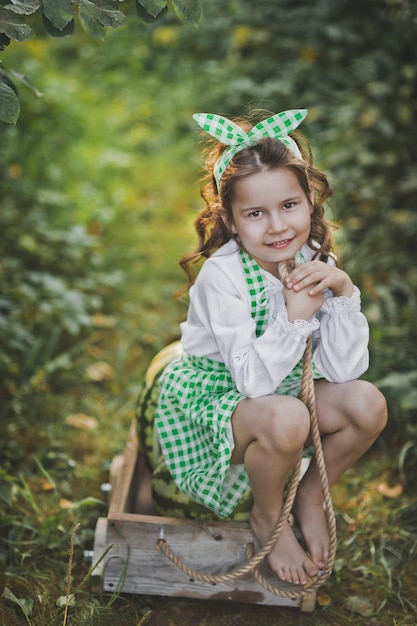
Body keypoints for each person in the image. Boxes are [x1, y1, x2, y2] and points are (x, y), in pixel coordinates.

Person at [155, 108, 387, 586]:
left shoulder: (316, 260)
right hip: (219, 398)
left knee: (368, 404)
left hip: (281, 393)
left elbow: (343, 372)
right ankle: (266, 516)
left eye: (289, 206)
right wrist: (295, 317)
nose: (277, 227)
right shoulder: (222, 277)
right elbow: (252, 383)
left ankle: (306, 495)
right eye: (256, 214)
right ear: (233, 222)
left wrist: (343, 295)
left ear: (310, 203)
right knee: (287, 415)